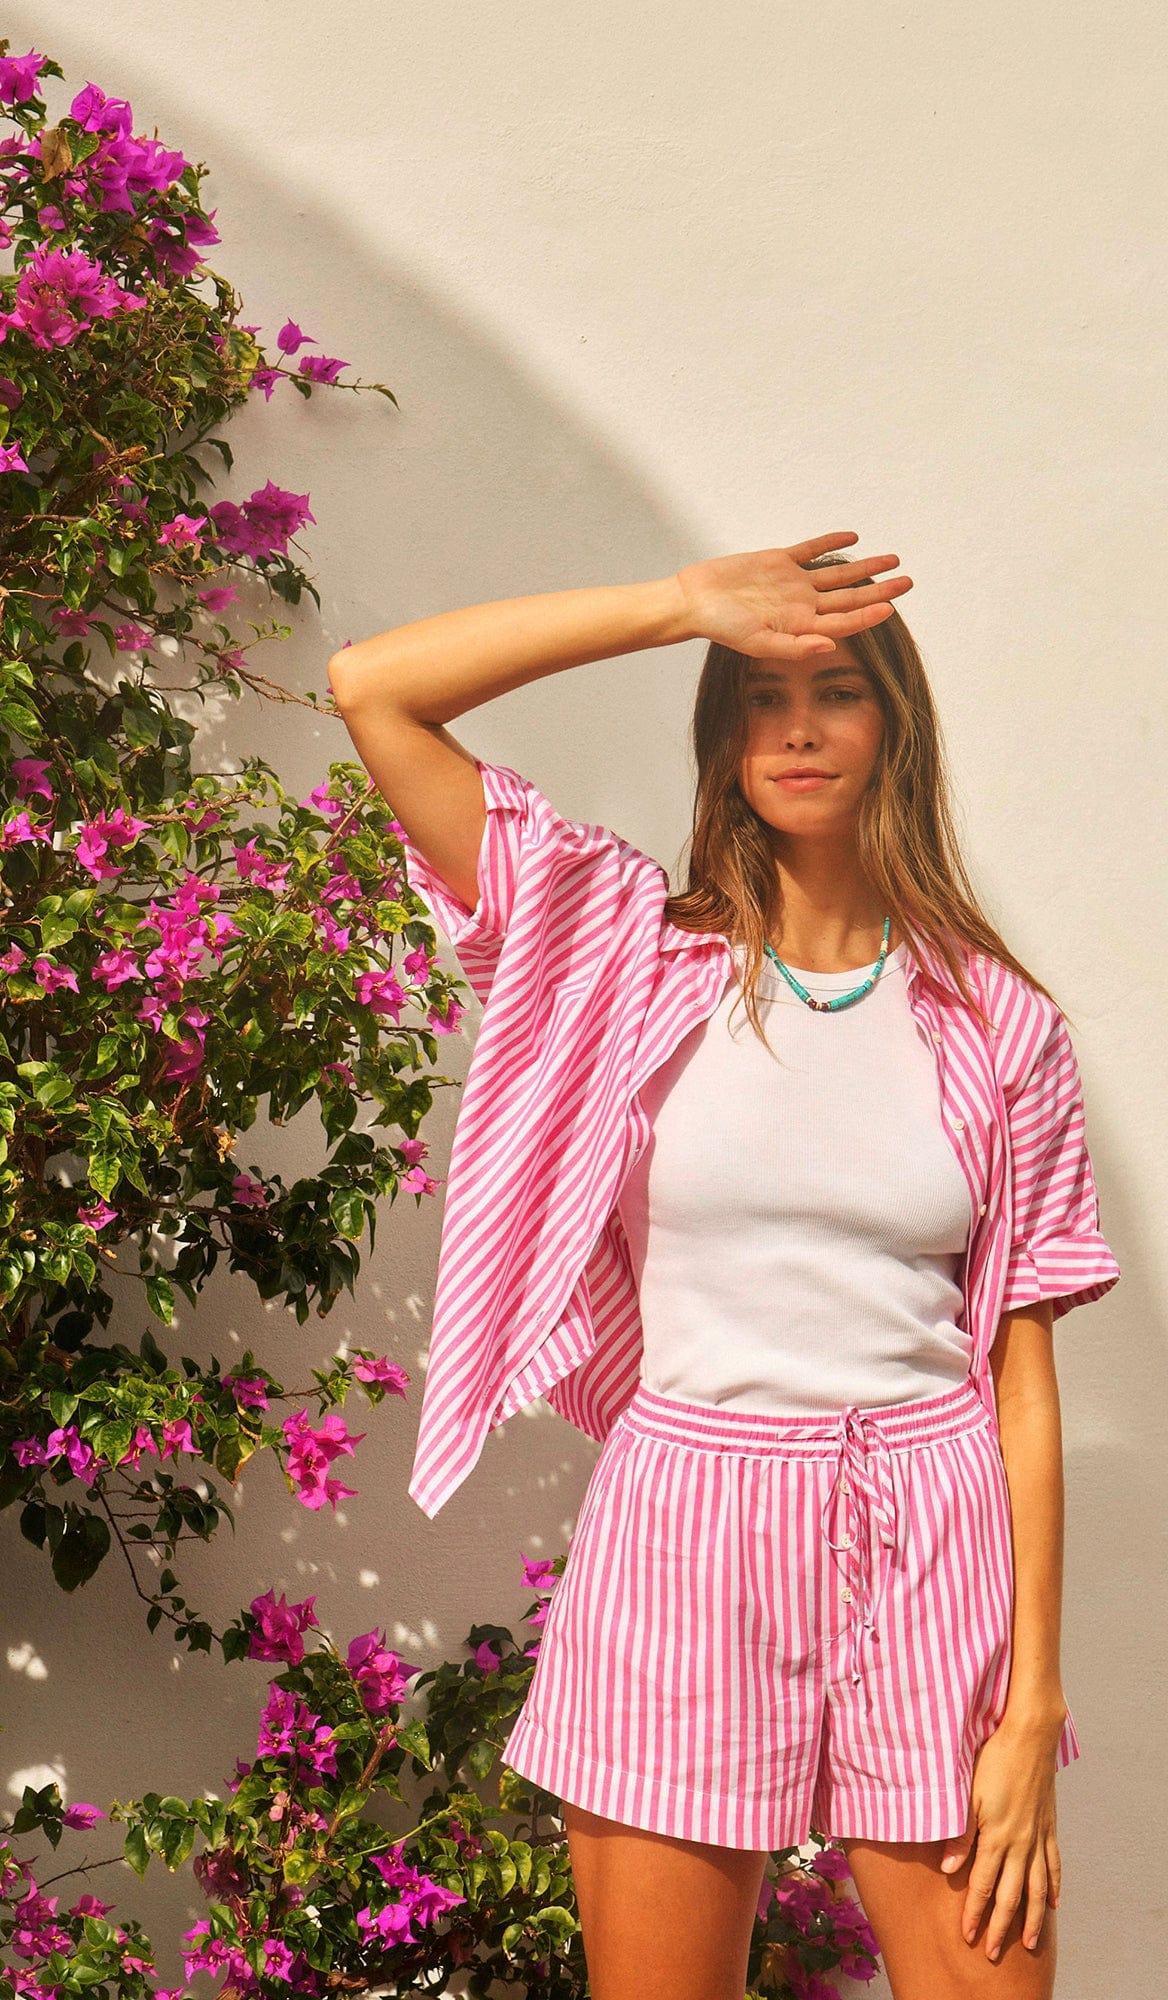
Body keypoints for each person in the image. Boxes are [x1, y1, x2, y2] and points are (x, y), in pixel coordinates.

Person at [329, 530, 1121, 2000]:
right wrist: (679, 604)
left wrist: (1030, 1713)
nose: (799, 731)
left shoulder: (1000, 1023)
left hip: (932, 1530)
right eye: (763, 699)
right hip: (687, 1526)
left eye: (837, 694)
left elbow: (1023, 1387)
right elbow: (376, 689)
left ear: (896, 727)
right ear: (725, 739)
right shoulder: (625, 956)